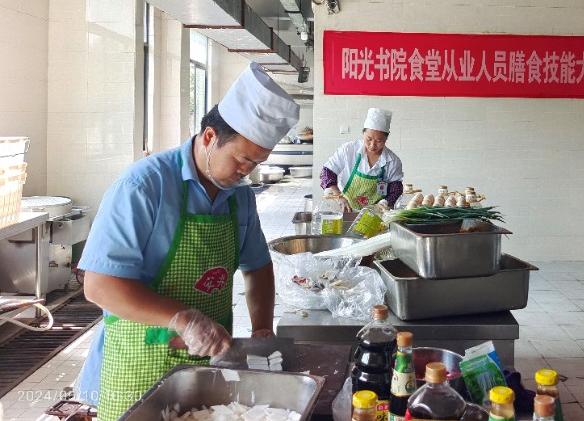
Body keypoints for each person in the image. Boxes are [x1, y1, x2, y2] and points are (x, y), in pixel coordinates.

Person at [74, 62, 299, 421]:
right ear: (209, 137)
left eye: (256, 164)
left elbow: (257, 266)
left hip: (208, 361)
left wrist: (261, 329)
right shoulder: (143, 186)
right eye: (241, 160)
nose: (246, 172)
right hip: (139, 359)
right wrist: (182, 319)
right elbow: (100, 286)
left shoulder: (239, 195)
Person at [320, 108, 403, 212]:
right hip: (345, 208)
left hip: (375, 213)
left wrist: (383, 204)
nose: (372, 145)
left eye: (379, 141)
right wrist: (339, 196)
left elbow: (395, 190)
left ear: (386, 138)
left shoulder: (393, 161)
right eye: (369, 139)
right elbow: (327, 172)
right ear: (363, 133)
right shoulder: (349, 149)